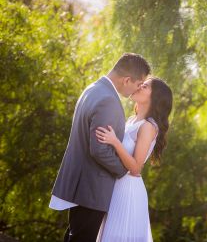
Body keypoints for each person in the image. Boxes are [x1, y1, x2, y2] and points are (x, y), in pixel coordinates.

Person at [49, 53, 151, 242]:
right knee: (82, 237)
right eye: (139, 84)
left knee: (75, 235)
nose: (138, 89)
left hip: (82, 183)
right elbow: (100, 150)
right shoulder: (109, 101)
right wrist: (124, 171)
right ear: (127, 79)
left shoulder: (93, 89)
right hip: (93, 186)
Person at [95, 76, 173, 242]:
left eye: (144, 86)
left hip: (128, 191)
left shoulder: (148, 126)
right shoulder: (131, 120)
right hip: (114, 187)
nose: (138, 87)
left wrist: (115, 142)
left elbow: (136, 168)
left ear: (154, 97)